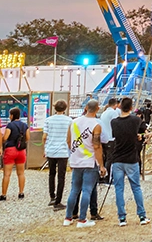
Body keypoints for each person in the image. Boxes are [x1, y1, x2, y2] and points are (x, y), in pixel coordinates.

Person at [64, 99, 107, 229]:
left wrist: (73, 154)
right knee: (87, 190)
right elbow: (97, 146)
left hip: (76, 160)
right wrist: (101, 165)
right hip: (89, 161)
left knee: (74, 190)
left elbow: (68, 140)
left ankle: (68, 217)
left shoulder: (73, 122)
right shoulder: (96, 125)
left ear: (86, 107)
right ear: (97, 109)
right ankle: (82, 219)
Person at [111, 97, 148, 226]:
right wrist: (138, 136)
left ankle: (122, 217)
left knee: (119, 188)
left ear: (120, 106)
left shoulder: (114, 122)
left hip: (118, 158)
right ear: (131, 107)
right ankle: (142, 215)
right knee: (136, 187)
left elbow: (116, 135)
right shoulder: (136, 120)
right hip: (131, 158)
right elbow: (142, 132)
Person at [43, 100, 71, 211]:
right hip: (63, 151)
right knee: (61, 176)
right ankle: (58, 201)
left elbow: (45, 136)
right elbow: (70, 137)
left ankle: (52, 196)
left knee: (51, 174)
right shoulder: (69, 121)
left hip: (50, 150)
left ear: (55, 108)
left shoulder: (48, 120)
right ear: (65, 108)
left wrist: (44, 149)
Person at [0, 106, 28, 200]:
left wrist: (2, 139)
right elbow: (28, 138)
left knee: (7, 174)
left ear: (12, 115)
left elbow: (5, 138)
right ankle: (21, 193)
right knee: (21, 173)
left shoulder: (10, 125)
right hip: (21, 150)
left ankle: (4, 194)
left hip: (10, 150)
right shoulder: (24, 125)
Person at [99, 97, 120, 177]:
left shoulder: (104, 113)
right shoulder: (113, 113)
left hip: (103, 138)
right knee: (110, 158)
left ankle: (102, 175)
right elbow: (117, 124)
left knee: (104, 158)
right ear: (115, 105)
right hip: (111, 138)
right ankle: (107, 177)